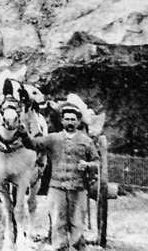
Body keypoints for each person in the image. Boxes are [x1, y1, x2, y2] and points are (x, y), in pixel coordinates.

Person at [20, 102, 100, 251]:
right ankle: (59, 248)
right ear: (62, 121)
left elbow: (97, 162)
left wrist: (88, 165)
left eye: (73, 119)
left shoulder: (87, 141)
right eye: (67, 119)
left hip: (79, 190)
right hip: (57, 189)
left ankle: (77, 248)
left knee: (77, 223)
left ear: (78, 121)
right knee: (58, 223)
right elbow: (33, 144)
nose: (70, 122)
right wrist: (24, 133)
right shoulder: (53, 138)